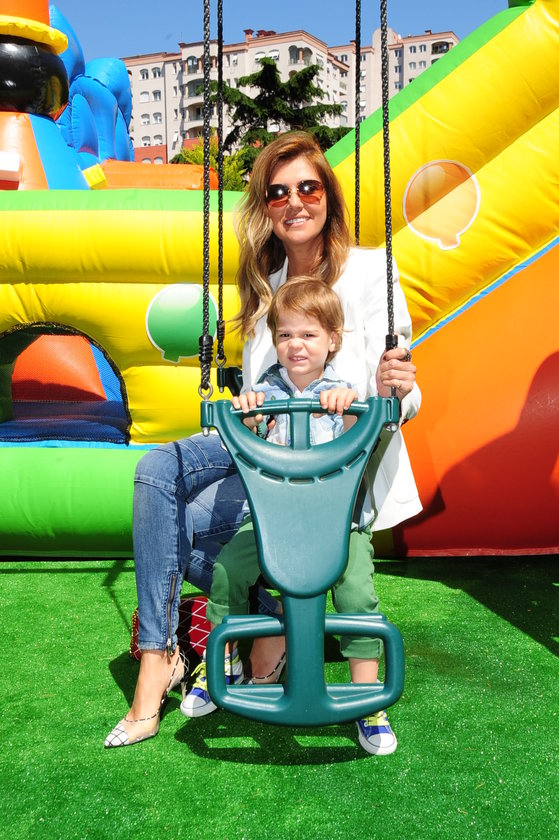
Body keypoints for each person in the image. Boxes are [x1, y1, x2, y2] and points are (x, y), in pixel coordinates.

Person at [104, 130, 420, 750]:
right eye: (277, 193)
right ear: (265, 206)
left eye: (308, 188)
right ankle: (163, 657)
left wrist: (395, 386)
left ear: (328, 195)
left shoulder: (371, 271)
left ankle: (271, 626)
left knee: (188, 527)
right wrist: (242, 411)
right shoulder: (263, 283)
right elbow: (259, 394)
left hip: (337, 461)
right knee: (157, 477)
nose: (294, 202)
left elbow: (402, 397)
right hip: (267, 451)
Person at [181, 277, 400, 755]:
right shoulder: (265, 391)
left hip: (338, 522)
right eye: (285, 335)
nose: (296, 345)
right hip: (272, 520)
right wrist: (248, 413)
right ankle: (223, 666)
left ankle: (366, 697)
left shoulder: (344, 392)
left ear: (332, 340)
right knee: (228, 571)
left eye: (309, 334)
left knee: (356, 592)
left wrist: (349, 412)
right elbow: (248, 429)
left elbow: (363, 436)